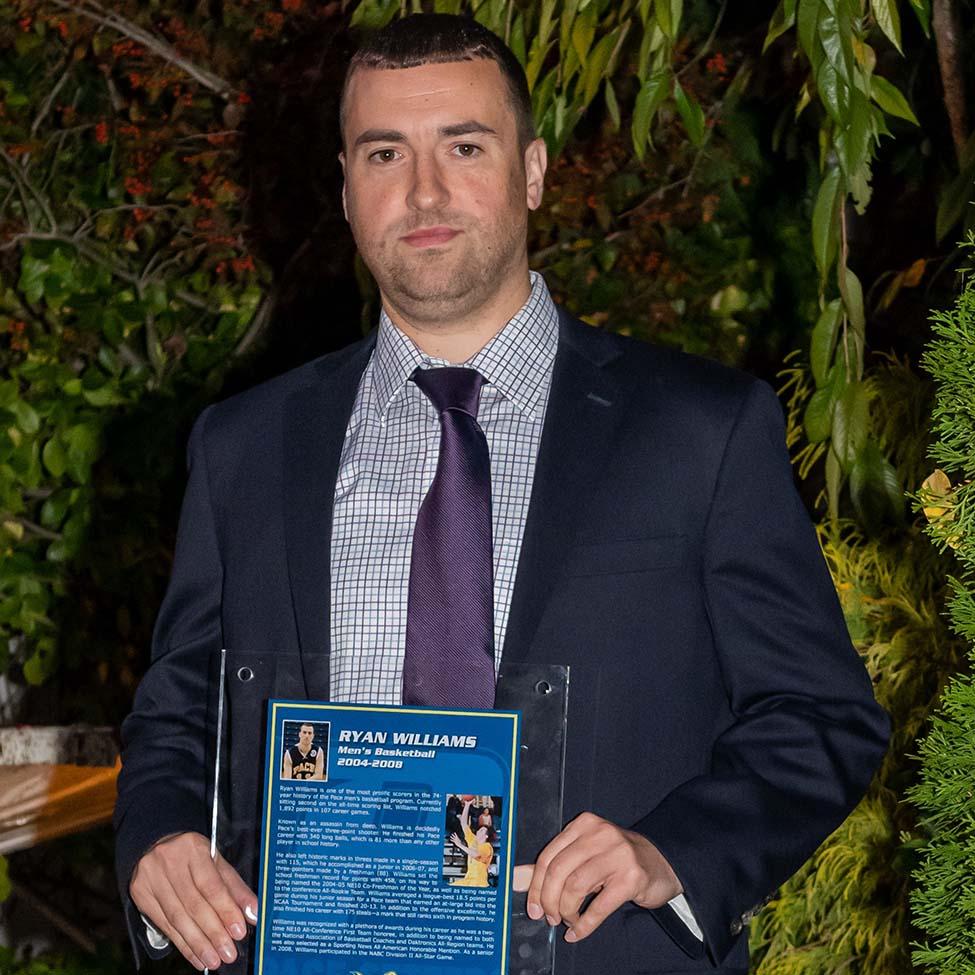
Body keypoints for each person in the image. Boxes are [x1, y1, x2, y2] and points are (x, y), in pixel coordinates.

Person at [114, 13, 889, 975]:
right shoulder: (245, 445)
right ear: (346, 187)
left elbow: (819, 713)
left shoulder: (701, 430)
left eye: (464, 146)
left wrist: (670, 850)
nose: (424, 190)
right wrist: (159, 835)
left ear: (531, 171)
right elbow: (179, 711)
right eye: (384, 152)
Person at [448, 797, 496, 888]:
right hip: (469, 880)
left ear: (486, 836)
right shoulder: (472, 839)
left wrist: (459, 845)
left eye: (482, 831)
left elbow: (476, 854)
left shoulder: (487, 847)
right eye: (479, 830)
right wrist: (467, 805)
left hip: (479, 883)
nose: (478, 831)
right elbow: (463, 823)